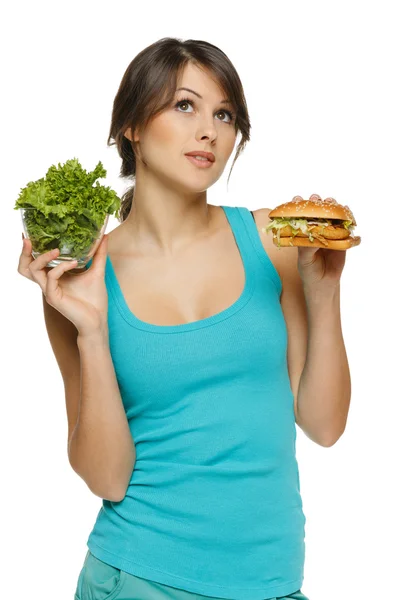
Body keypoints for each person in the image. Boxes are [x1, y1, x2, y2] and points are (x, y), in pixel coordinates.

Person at [18, 37, 351, 600]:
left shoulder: (272, 240)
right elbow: (106, 477)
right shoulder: (79, 276)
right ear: (133, 127)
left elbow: (324, 426)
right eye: (184, 105)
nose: (210, 132)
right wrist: (94, 332)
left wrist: (324, 294)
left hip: (272, 582)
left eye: (224, 114)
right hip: (139, 577)